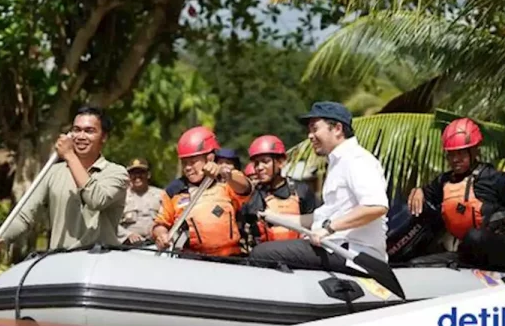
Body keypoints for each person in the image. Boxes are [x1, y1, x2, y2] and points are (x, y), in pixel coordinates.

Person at [250, 102, 390, 274]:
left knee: (261, 253)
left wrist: (328, 229)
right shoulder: (338, 162)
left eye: (315, 129)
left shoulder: (357, 160)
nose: (310, 136)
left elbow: (376, 206)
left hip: (352, 254)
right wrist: (274, 217)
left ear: (337, 128)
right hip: (335, 247)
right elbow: (319, 218)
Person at [0, 106, 129, 254]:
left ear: (104, 137)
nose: (81, 136)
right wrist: (0, 237)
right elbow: (24, 216)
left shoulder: (117, 173)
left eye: (89, 131)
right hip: (60, 262)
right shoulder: (52, 172)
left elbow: (96, 200)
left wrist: (69, 156)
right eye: (76, 130)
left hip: (100, 262)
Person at [407, 117, 505, 277]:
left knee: (474, 236)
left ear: (475, 150)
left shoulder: (495, 179)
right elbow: (425, 193)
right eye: (451, 154)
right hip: (471, 255)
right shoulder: (444, 181)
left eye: (461, 153)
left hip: (502, 252)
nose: (455, 159)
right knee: (415, 265)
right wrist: (418, 190)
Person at [152, 126, 252, 257]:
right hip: (193, 260)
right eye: (184, 163)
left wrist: (223, 171)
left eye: (193, 162)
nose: (188, 168)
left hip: (231, 258)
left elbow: (246, 187)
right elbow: (160, 224)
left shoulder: (227, 181)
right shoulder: (173, 191)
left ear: (210, 158)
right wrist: (161, 235)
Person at [238, 135, 317, 253]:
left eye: (265, 162)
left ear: (281, 162)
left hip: (297, 257)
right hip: (263, 259)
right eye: (256, 163)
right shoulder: (252, 195)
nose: (259, 168)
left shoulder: (302, 190)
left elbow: (316, 223)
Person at [118, 158, 163, 245]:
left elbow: (169, 219)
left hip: (156, 244)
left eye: (141, 172)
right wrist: (127, 234)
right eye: (133, 173)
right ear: (128, 176)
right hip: (128, 246)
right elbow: (111, 223)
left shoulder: (161, 195)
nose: (137, 176)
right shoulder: (120, 197)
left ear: (148, 175)